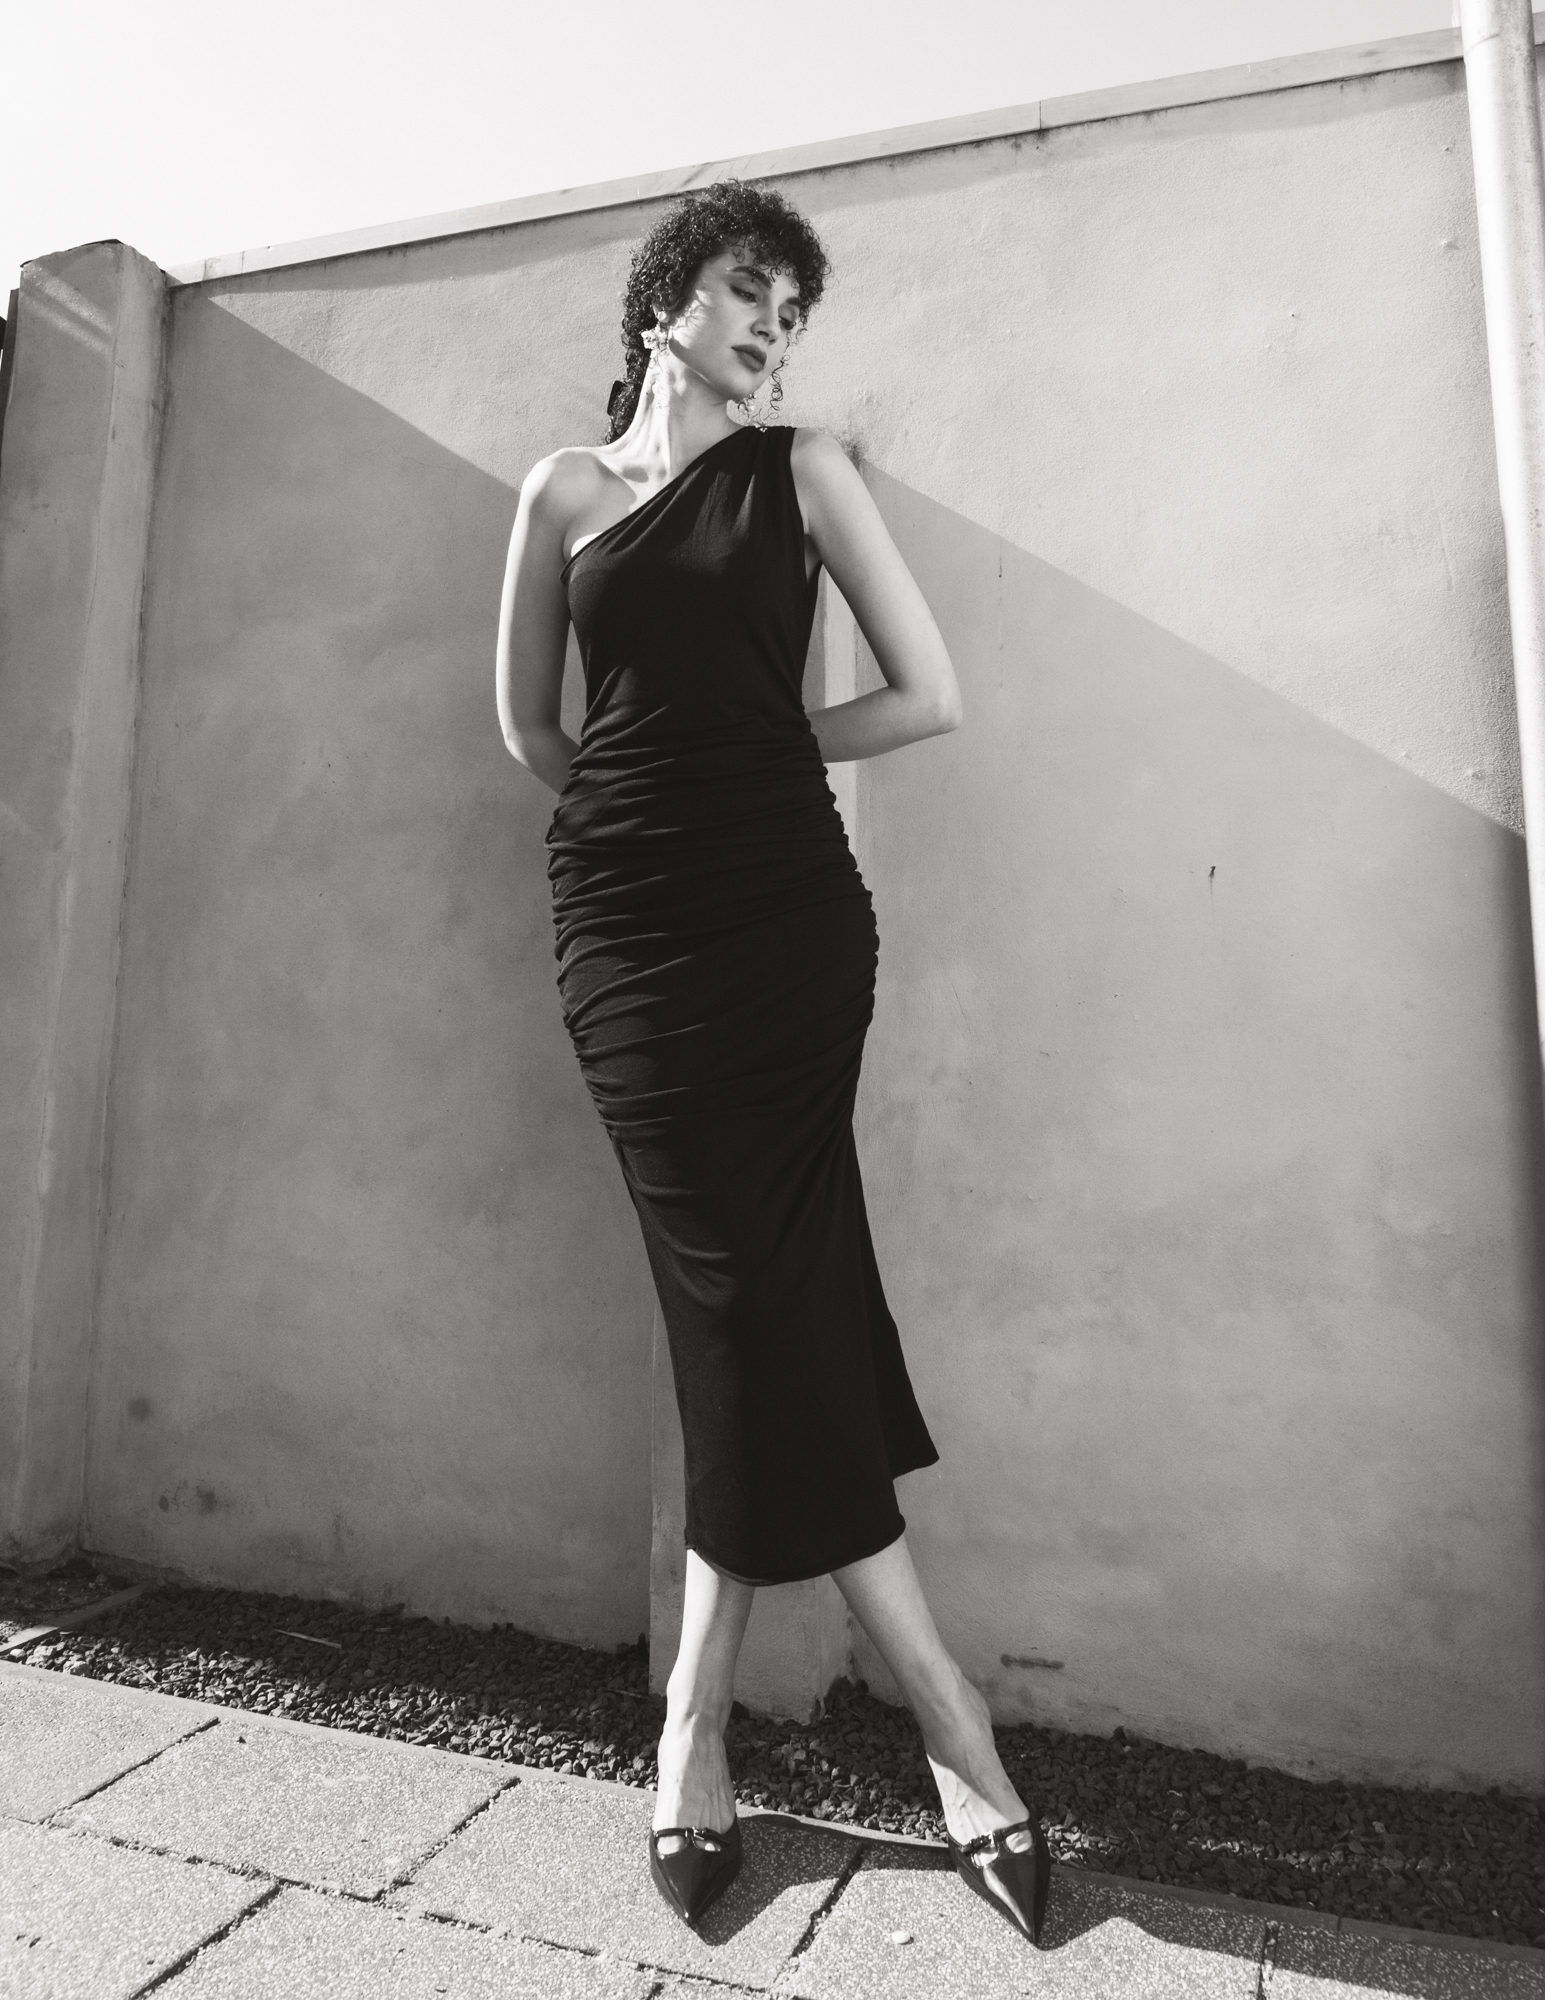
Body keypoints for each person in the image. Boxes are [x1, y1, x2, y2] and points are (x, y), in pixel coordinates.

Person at [496, 178, 1051, 1948]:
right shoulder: (561, 493)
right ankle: (945, 1723)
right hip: (625, 934)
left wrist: (750, 746)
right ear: (667, 297)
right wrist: (647, 798)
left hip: (784, 927)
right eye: (748, 291)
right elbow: (531, 728)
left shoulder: (801, 472)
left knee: (748, 1307)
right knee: (753, 1302)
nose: (770, 329)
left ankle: (703, 1726)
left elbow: (928, 693)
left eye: (791, 313)